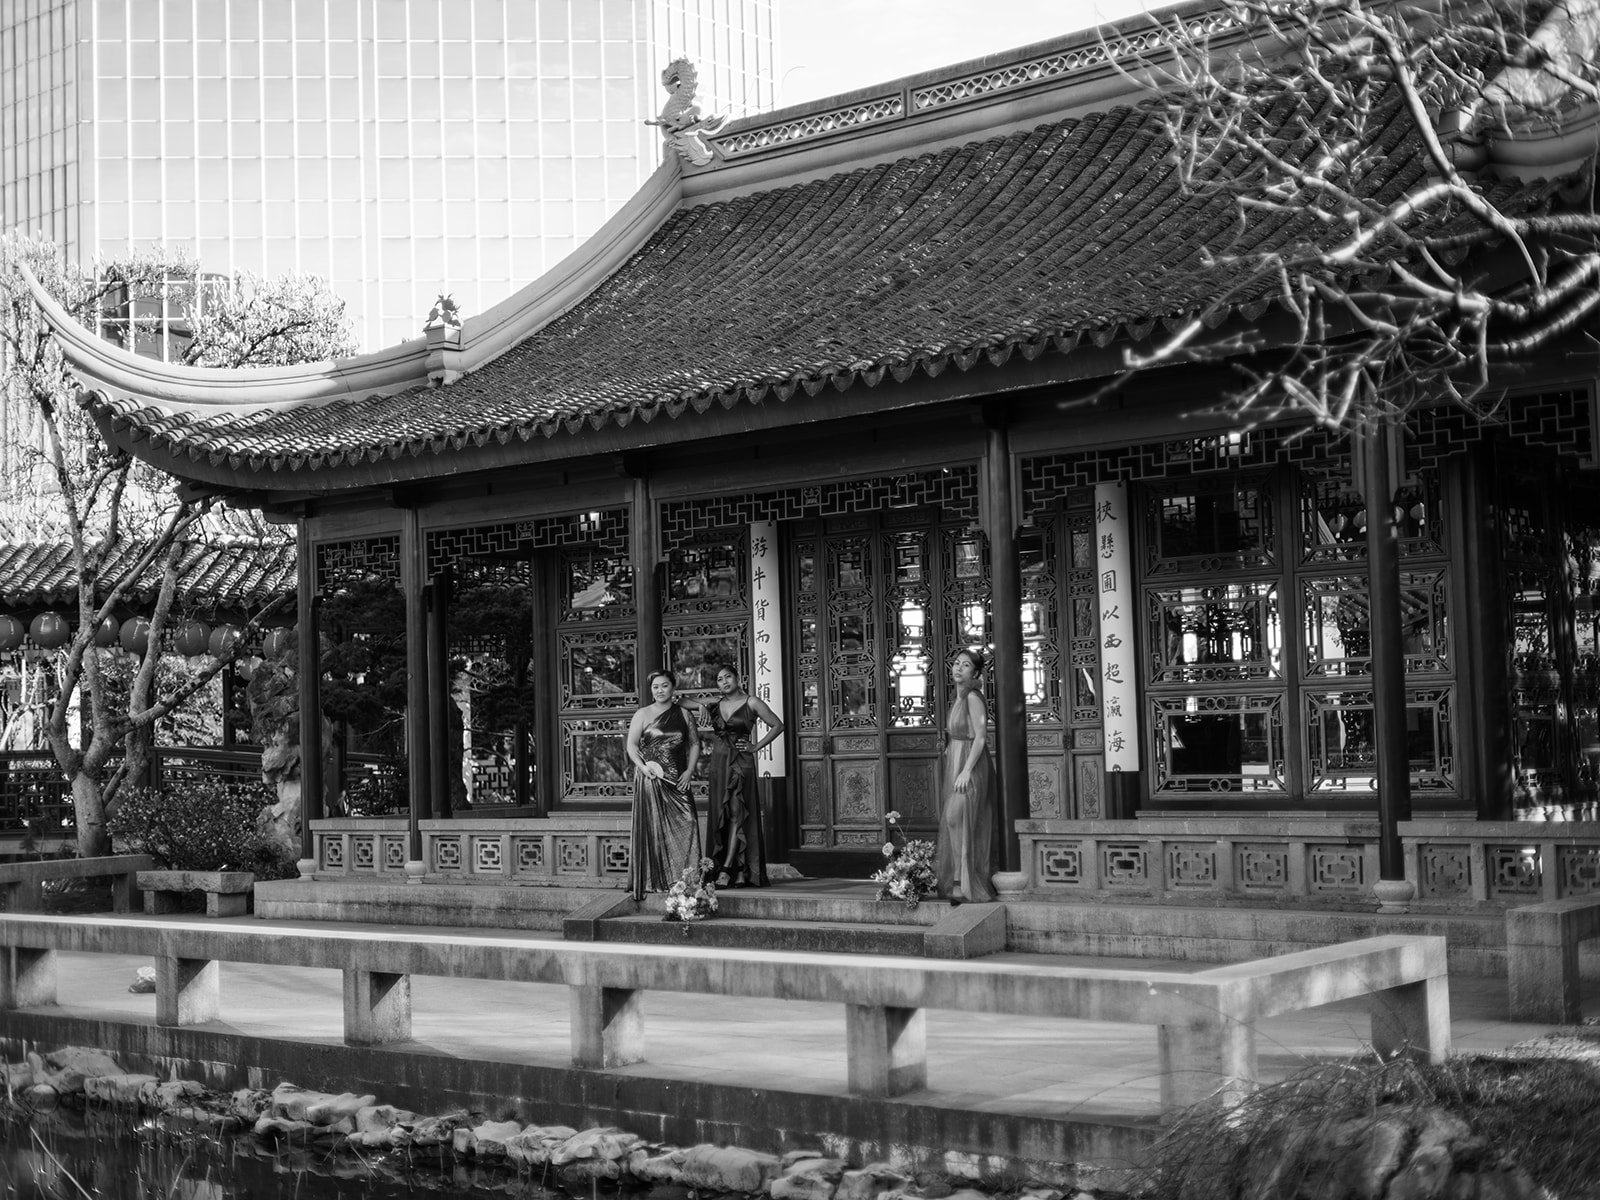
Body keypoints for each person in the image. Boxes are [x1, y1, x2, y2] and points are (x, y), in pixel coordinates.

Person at [702, 665, 785, 888]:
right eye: (719, 679)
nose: (724, 682)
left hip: (741, 762)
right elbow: (681, 702)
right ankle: (740, 871)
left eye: (728, 677)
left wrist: (755, 746)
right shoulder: (715, 704)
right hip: (719, 765)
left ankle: (727, 869)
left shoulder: (752, 702)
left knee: (738, 813)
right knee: (724, 814)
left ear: (738, 678)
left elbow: (778, 725)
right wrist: (702, 708)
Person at [626, 669, 702, 900]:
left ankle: (687, 879)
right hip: (651, 777)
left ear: (673, 688)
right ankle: (656, 879)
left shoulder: (683, 714)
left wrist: (689, 771)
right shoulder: (642, 713)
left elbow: (695, 744)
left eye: (664, 686)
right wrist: (642, 767)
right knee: (655, 828)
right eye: (655, 687)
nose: (660, 690)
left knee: (689, 822)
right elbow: (631, 745)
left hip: (677, 778)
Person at [936, 647, 997, 903]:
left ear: (976, 673)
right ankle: (960, 881)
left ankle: (967, 883)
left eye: (966, 665)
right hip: (957, 761)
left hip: (971, 764)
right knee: (955, 821)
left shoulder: (973, 696)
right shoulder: (959, 696)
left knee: (957, 816)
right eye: (957, 663)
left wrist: (966, 770)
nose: (959, 668)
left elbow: (981, 737)